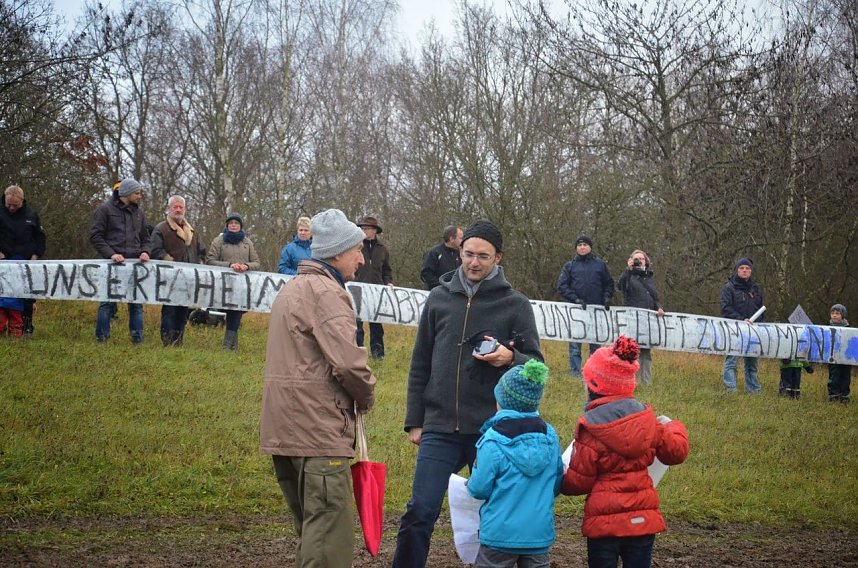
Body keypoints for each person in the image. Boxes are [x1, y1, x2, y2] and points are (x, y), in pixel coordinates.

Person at [393, 218, 544, 568]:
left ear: (498, 259)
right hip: (439, 427)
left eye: (483, 256)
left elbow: (536, 365)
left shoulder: (516, 304)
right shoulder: (438, 299)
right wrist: (415, 420)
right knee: (420, 510)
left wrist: (510, 357)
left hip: (492, 432)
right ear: (459, 252)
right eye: (468, 254)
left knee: (497, 514)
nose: (474, 262)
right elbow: (420, 363)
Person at [260, 208, 377, 568]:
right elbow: (347, 363)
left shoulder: (292, 289)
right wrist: (368, 393)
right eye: (357, 249)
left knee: (312, 533)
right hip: (317, 432)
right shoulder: (327, 293)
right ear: (337, 253)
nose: (361, 257)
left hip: (286, 432)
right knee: (327, 541)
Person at [562, 336, 689, 568]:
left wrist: (558, 478)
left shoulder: (590, 429)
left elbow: (578, 484)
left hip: (603, 527)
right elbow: (676, 452)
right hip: (642, 521)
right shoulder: (648, 421)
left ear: (594, 386)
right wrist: (674, 426)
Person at [466, 359, 563, 568]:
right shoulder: (551, 437)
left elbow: (479, 489)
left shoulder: (492, 440)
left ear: (501, 400)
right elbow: (556, 484)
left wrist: (469, 483)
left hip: (498, 536)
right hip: (538, 535)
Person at [89, 178, 151, 343]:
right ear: (126, 193)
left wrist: (145, 251)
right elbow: (96, 236)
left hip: (135, 266)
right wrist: (111, 254)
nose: (139, 197)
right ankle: (102, 339)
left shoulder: (139, 213)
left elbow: (146, 238)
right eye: (137, 193)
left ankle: (137, 340)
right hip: (111, 265)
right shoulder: (104, 210)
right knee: (107, 303)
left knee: (136, 304)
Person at [150, 195, 205, 346]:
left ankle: (178, 342)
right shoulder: (161, 229)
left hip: (188, 279)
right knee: (169, 311)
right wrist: (170, 261)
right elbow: (155, 250)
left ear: (185, 209)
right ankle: (167, 342)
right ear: (169, 209)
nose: (178, 209)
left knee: (183, 311)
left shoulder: (193, 232)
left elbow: (202, 251)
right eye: (175, 207)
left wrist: (199, 265)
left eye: (181, 207)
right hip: (169, 278)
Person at [557, 234, 614, 377]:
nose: (582, 247)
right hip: (576, 312)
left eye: (585, 245)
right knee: (575, 346)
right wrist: (575, 299)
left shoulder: (600, 264)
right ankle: (575, 373)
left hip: (596, 312)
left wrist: (607, 298)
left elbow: (609, 283)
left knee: (595, 346)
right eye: (579, 245)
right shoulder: (570, 266)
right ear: (576, 248)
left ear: (590, 247)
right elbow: (562, 286)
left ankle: (593, 373)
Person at [206, 213, 260, 350]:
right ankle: (230, 345)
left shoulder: (247, 242)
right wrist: (229, 265)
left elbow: (256, 262)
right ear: (227, 225)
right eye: (231, 223)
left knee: (236, 313)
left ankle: (229, 345)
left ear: (240, 226)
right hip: (222, 285)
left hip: (241, 285)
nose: (234, 225)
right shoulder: (218, 241)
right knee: (228, 311)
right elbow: (210, 261)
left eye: (236, 223)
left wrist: (247, 266)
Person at [0, 185, 46, 336]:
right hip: (3, 262)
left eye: (15, 205)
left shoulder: (31, 215)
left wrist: (36, 255)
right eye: (9, 205)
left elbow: (40, 238)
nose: (12, 208)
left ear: (22, 201)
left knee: (26, 297)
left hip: (26, 263)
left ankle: (26, 328)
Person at [617, 249, 665, 385]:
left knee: (645, 352)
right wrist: (628, 269)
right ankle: (631, 381)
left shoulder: (649, 278)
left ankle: (646, 382)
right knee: (631, 352)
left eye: (641, 259)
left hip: (648, 322)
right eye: (636, 258)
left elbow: (654, 297)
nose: (639, 261)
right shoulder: (628, 276)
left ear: (646, 261)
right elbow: (620, 286)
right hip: (632, 321)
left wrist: (659, 307)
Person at [720, 258, 764, 393]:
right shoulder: (729, 288)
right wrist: (741, 319)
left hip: (753, 331)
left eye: (747, 268)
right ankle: (731, 389)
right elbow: (725, 308)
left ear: (750, 271)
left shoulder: (755, 289)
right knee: (731, 361)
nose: (744, 270)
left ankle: (753, 389)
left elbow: (761, 308)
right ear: (737, 270)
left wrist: (759, 324)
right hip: (734, 329)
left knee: (752, 363)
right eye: (742, 268)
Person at [354, 215, 393, 359]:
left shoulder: (383, 249)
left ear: (374, 231)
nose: (364, 231)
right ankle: (358, 352)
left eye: (367, 228)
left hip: (377, 291)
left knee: (376, 325)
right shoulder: (356, 247)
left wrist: (388, 281)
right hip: (357, 290)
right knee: (357, 324)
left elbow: (387, 270)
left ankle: (378, 353)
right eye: (362, 228)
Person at [420, 225, 463, 290]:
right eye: (460, 238)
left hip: (455, 294)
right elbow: (425, 273)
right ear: (451, 239)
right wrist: (443, 285)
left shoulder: (461, 254)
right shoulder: (434, 253)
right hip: (435, 294)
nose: (462, 241)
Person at [827, 304, 851, 403]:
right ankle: (834, 395)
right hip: (833, 357)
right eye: (832, 313)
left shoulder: (849, 328)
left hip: (846, 358)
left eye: (837, 313)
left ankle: (844, 395)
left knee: (845, 376)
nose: (834, 315)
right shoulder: (827, 328)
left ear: (842, 315)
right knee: (834, 376)